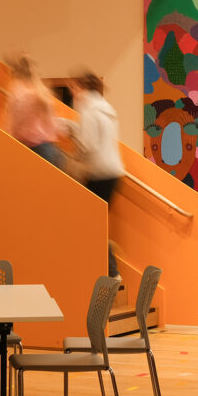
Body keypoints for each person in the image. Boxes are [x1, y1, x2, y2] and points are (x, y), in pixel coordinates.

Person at [63, 71, 126, 277]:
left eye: (73, 88)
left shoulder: (88, 110)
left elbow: (87, 145)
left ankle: (110, 272)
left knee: (91, 224)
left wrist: (72, 155)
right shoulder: (105, 108)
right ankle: (107, 270)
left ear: (82, 88)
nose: (72, 93)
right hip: (113, 171)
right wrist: (73, 127)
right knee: (95, 223)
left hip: (99, 173)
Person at [5, 53, 62, 166]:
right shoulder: (41, 90)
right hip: (47, 147)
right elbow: (52, 123)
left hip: (29, 147)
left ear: (15, 72)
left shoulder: (17, 91)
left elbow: (13, 123)